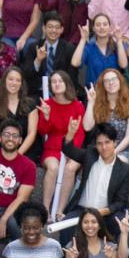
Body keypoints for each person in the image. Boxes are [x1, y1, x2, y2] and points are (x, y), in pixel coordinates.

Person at [34, 74, 85, 217]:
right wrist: (46, 117)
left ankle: (60, 210)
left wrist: (70, 150)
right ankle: (45, 209)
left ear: (67, 83)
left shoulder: (78, 106)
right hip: (52, 149)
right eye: (53, 82)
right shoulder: (47, 104)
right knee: (53, 167)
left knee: (70, 168)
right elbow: (43, 131)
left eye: (60, 81)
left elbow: (80, 133)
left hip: (72, 148)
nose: (56, 84)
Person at [68, 131, 129, 222]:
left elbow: (121, 201)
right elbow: (69, 150)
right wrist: (70, 135)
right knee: (65, 227)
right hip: (82, 210)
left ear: (115, 143)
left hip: (106, 213)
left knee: (120, 223)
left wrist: (102, 212)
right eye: (99, 143)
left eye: (107, 142)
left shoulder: (124, 169)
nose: (104, 147)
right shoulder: (90, 155)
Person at [0, 66, 39, 154]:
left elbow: (32, 133)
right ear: (4, 82)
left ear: (21, 84)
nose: (14, 83)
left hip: (24, 153)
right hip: (0, 152)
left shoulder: (30, 104)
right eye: (11, 79)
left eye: (18, 80)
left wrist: (17, 156)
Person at [22, 13, 79, 99]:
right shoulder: (34, 47)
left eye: (57, 28)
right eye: (50, 27)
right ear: (44, 28)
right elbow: (26, 74)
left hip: (61, 92)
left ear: (61, 30)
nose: (53, 30)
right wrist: (38, 60)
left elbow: (72, 76)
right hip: (38, 92)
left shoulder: (69, 48)